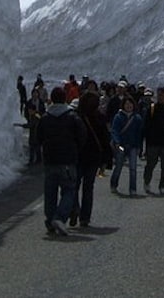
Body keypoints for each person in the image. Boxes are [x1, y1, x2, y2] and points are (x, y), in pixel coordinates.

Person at [38, 86, 86, 236]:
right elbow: (82, 136)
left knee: (50, 192)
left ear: (51, 99)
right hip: (68, 160)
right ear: (65, 99)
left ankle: (50, 220)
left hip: (50, 160)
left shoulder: (45, 117)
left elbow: (38, 137)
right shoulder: (72, 117)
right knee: (69, 190)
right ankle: (59, 217)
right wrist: (75, 149)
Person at [71, 90, 110, 228]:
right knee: (88, 188)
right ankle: (85, 218)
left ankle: (74, 208)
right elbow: (105, 139)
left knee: (73, 186)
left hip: (78, 157)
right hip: (93, 158)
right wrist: (106, 160)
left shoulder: (76, 116)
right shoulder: (99, 117)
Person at [142, 87, 164, 194]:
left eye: (162, 95)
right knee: (150, 165)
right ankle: (147, 181)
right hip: (153, 142)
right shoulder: (152, 109)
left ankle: (163, 186)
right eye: (159, 95)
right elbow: (146, 125)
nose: (160, 97)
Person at [109, 95, 144, 195]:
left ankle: (133, 189)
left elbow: (139, 134)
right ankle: (113, 184)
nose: (129, 106)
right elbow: (114, 130)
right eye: (126, 104)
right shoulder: (118, 117)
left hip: (133, 145)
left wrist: (139, 147)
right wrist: (117, 142)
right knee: (119, 166)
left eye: (130, 104)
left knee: (133, 168)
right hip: (121, 145)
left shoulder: (137, 118)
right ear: (123, 105)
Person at [25, 85, 46, 165]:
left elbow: (43, 111)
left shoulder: (40, 102)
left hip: (38, 123)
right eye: (33, 93)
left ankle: (37, 159)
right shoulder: (29, 102)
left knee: (36, 144)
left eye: (36, 93)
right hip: (32, 122)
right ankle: (34, 159)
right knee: (33, 144)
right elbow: (26, 111)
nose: (35, 94)